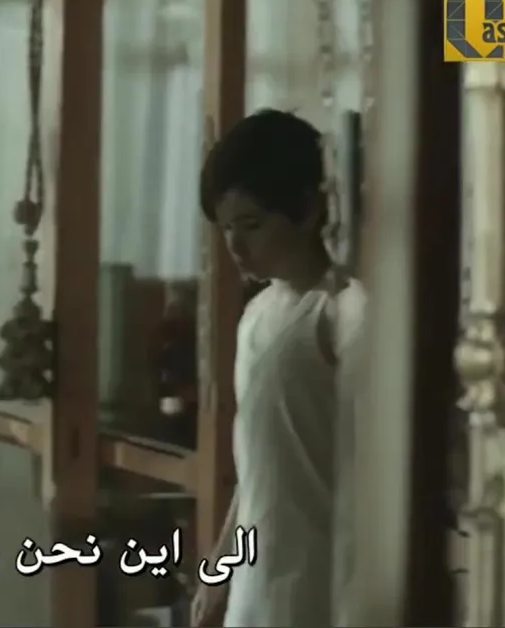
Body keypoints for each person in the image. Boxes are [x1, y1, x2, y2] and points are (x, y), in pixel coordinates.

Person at [191, 109, 366, 627]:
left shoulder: (342, 311)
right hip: (255, 587)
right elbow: (259, 466)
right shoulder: (257, 315)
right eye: (226, 229)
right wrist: (220, 567)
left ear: (307, 210)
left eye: (251, 225)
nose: (235, 247)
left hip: (321, 589)